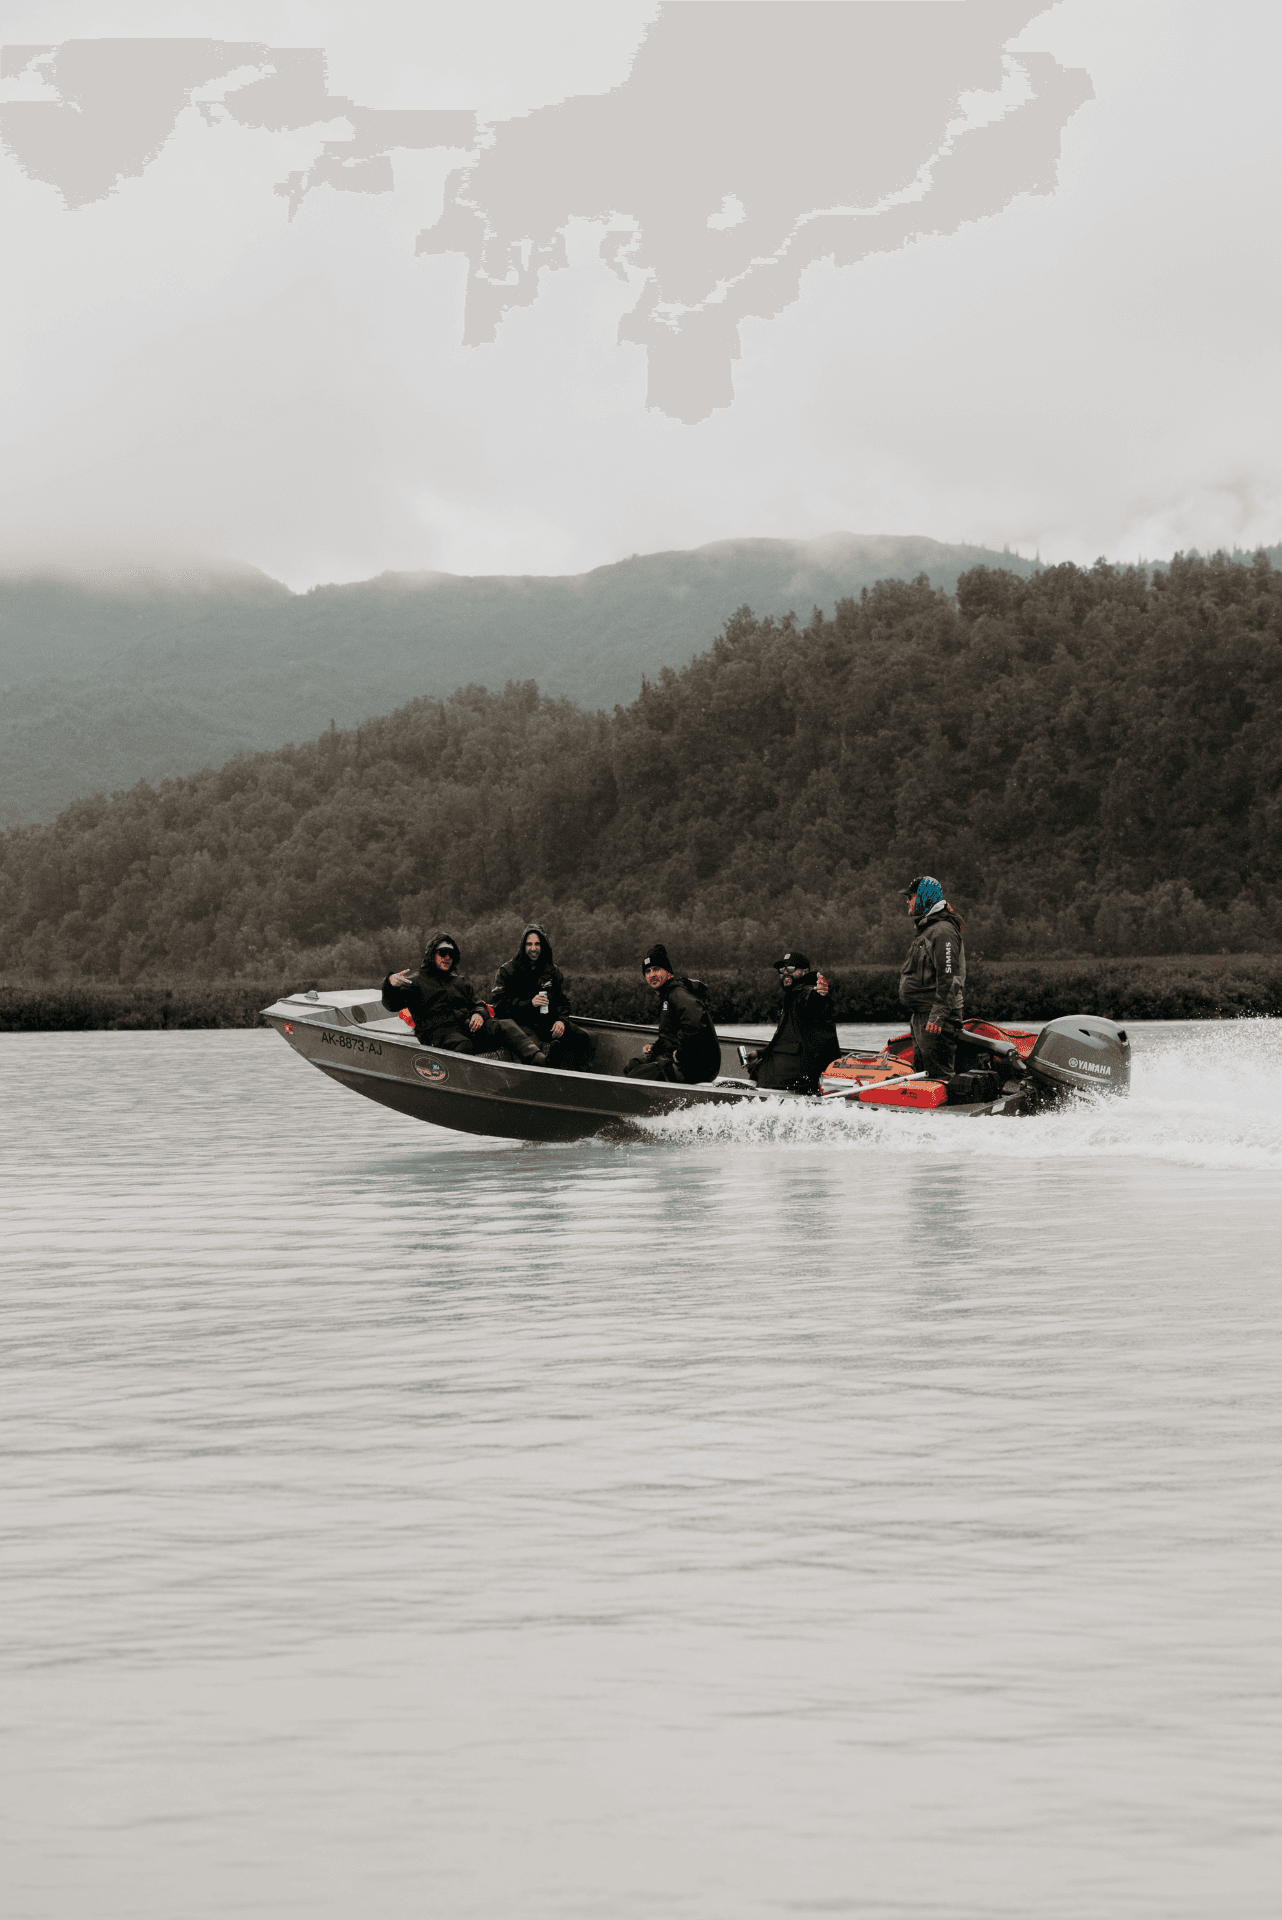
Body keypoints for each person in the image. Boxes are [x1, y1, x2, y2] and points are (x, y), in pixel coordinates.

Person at [490, 922, 593, 1070]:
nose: (533, 949)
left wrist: (561, 1021)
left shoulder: (552, 970)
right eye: (529, 944)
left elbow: (562, 1001)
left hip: (547, 1023)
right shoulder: (507, 971)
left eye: (537, 944)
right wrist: (529, 1003)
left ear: (543, 945)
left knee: (585, 1038)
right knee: (535, 1048)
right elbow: (499, 1007)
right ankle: (538, 1085)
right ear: (523, 946)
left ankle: (578, 1080)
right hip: (521, 1024)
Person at [382, 932, 505, 1054]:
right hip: (437, 1035)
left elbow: (479, 1004)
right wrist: (390, 985)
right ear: (432, 954)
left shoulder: (459, 981)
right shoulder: (415, 982)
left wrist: (478, 1014)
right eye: (442, 952)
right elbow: (392, 1005)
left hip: (465, 1029)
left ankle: (523, 1066)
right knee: (465, 1045)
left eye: (451, 954)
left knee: (505, 1027)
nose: (447, 957)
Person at [624, 943, 722, 1084]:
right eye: (648, 971)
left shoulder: (678, 993)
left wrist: (682, 1053)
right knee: (633, 1065)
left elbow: (694, 1020)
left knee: (636, 1076)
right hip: (683, 1062)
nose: (652, 975)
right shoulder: (667, 995)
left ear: (668, 971)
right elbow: (670, 1035)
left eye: (657, 969)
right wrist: (655, 1048)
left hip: (697, 1067)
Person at [745, 950, 840, 1094]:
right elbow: (785, 1038)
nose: (785, 973)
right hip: (796, 1069)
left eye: (791, 968)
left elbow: (813, 1001)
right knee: (759, 1067)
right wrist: (761, 1053)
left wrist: (820, 994)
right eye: (782, 969)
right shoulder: (791, 996)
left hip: (806, 1072)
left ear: (805, 972)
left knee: (762, 1071)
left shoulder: (806, 993)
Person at [898, 877, 965, 1079]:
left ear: (924, 897)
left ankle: (951, 1110)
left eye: (911, 897)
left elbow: (950, 978)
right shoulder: (928, 929)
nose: (907, 902)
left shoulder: (942, 930)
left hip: (936, 1018)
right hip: (922, 1015)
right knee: (923, 1074)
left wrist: (937, 1016)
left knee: (938, 1077)